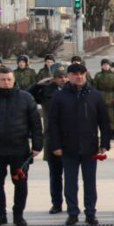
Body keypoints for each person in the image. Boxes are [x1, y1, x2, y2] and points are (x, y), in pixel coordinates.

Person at [0, 67, 43, 226]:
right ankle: (0, 215)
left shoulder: (26, 98)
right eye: (3, 79)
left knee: (20, 184)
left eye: (9, 79)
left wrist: (37, 145)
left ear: (14, 80)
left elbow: (36, 124)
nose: (6, 82)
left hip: (19, 150)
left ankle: (18, 215)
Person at [47, 62, 112, 226]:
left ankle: (90, 213)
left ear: (86, 74)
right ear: (68, 77)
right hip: (68, 147)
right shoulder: (60, 96)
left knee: (90, 182)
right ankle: (72, 212)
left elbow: (104, 122)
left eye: (82, 73)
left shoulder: (95, 95)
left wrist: (104, 142)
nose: (79, 76)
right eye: (75, 74)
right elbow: (52, 123)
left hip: (90, 147)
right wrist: (55, 145)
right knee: (70, 182)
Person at [28, 64, 69, 215]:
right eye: (59, 77)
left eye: (65, 76)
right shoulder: (46, 92)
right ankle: (56, 204)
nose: (63, 80)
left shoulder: (73, 90)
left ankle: (72, 204)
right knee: (55, 175)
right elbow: (26, 96)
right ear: (53, 78)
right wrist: (37, 84)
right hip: (52, 137)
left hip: (70, 138)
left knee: (71, 176)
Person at [92, 59, 114, 133]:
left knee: (112, 116)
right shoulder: (98, 75)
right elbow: (94, 87)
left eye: (107, 65)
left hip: (112, 97)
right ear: (101, 66)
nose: (105, 66)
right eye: (104, 65)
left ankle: (113, 131)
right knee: (103, 116)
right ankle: (105, 131)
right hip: (101, 97)